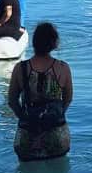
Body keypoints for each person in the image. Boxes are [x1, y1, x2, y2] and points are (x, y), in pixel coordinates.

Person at [7, 22, 73, 161]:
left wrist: (25, 118)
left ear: (34, 42)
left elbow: (12, 101)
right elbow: (67, 99)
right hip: (57, 137)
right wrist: (54, 116)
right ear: (54, 43)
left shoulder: (21, 68)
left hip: (28, 137)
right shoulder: (63, 68)